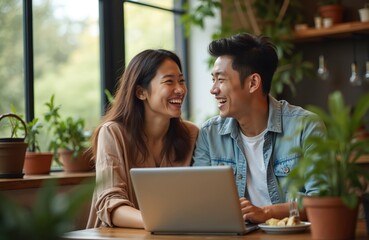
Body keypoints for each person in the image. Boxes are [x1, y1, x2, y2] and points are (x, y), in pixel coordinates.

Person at [192, 32, 325, 224]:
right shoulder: (210, 134)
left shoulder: (305, 126)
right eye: (213, 80)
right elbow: (198, 200)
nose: (213, 89)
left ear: (253, 83)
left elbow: (321, 201)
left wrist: (267, 212)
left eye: (221, 80)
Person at [86, 49, 199, 229]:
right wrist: (164, 222)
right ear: (140, 92)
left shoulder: (192, 134)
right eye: (169, 81)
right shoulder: (112, 133)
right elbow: (111, 203)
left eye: (181, 81)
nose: (180, 89)